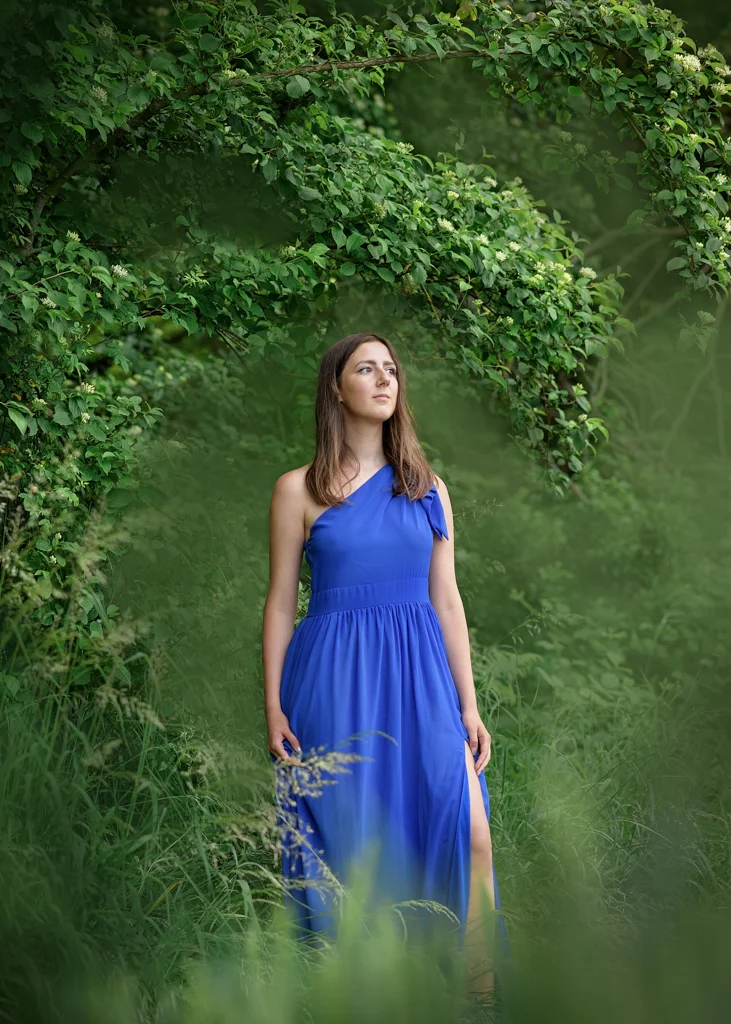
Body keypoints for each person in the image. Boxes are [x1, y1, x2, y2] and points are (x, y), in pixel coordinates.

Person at [262, 332, 508, 999]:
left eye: (390, 369)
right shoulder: (298, 490)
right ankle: (365, 998)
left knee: (470, 834)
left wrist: (468, 704)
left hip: (420, 677)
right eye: (364, 369)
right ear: (335, 388)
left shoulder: (426, 489)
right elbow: (282, 604)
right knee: (356, 852)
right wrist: (274, 705)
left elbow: (447, 601)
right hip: (334, 680)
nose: (381, 379)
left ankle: (478, 1004)